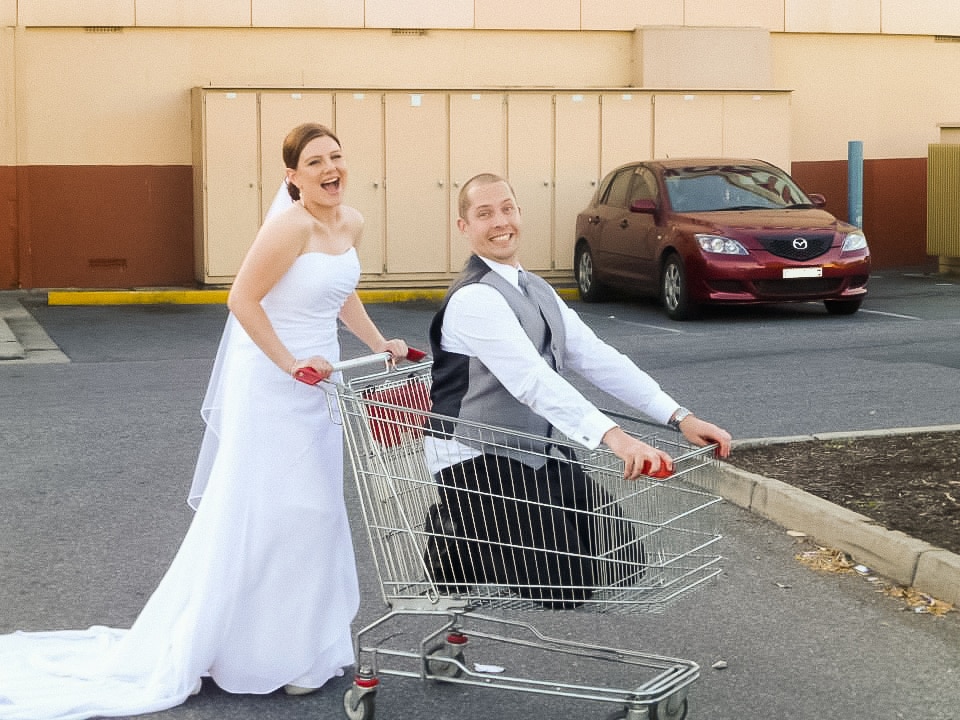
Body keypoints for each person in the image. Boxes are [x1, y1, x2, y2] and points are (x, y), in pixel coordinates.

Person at [0, 123, 409, 718]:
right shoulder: (288, 226)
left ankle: (301, 647)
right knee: (273, 510)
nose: (330, 168)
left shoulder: (352, 224)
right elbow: (241, 298)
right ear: (292, 177)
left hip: (324, 384)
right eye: (315, 161)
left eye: (337, 157)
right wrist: (291, 363)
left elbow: (339, 293)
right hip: (274, 382)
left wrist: (381, 341)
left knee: (315, 511)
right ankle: (250, 651)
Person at [422, 172, 731, 607]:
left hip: (530, 448)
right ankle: (454, 538)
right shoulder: (474, 299)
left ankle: (481, 537)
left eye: (507, 208)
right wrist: (616, 439)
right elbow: (533, 380)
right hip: (474, 457)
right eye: (484, 213)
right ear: (464, 227)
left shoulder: (536, 288)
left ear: (520, 213)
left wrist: (680, 417)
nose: (500, 222)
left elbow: (597, 357)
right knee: (563, 585)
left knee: (623, 557)